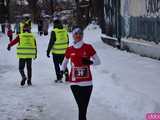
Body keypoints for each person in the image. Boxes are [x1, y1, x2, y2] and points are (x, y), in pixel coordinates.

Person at [60, 27, 101, 120]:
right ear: (73, 36)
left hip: (87, 83)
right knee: (81, 108)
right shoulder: (69, 49)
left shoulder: (88, 47)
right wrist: (62, 71)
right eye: (76, 34)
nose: (78, 36)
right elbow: (64, 62)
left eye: (80, 34)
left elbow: (98, 61)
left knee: (83, 109)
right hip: (74, 83)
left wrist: (90, 62)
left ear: (82, 35)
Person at [47, 18, 69, 83]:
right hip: (64, 51)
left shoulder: (54, 31)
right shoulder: (65, 31)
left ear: (54, 24)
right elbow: (68, 41)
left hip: (56, 52)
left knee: (56, 65)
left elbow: (51, 42)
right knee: (63, 64)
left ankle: (59, 78)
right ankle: (67, 76)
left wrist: (48, 51)